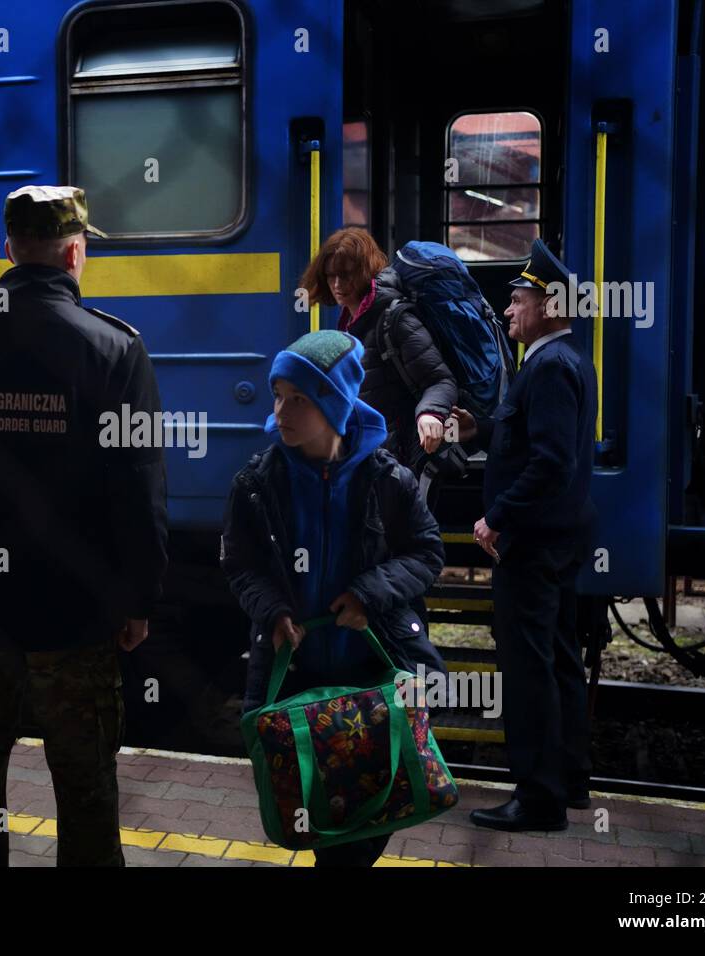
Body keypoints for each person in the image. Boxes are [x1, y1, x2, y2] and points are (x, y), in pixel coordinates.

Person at [0, 185, 169, 865]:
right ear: (76, 253)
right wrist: (138, 598)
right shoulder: (112, 349)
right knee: (85, 794)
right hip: (73, 615)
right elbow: (136, 487)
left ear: (7, 250)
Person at [221, 330, 446, 866]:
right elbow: (239, 563)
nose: (282, 410)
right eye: (278, 395)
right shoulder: (258, 482)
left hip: (372, 680)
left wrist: (369, 595)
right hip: (299, 684)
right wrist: (272, 610)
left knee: (361, 831)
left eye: (299, 398)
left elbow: (426, 554)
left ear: (335, 403)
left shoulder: (389, 480)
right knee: (323, 827)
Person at [448, 238, 597, 831]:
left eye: (517, 299)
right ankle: (571, 782)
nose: (508, 310)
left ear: (549, 306)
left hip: (533, 542)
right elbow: (526, 442)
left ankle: (538, 800)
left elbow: (551, 462)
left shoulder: (551, 366)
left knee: (528, 668)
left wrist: (497, 516)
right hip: (556, 538)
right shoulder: (558, 361)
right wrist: (478, 429)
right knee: (560, 657)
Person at [300, 228, 458, 477]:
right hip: (374, 455)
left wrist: (430, 413)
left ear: (364, 272)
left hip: (402, 460)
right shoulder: (350, 322)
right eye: (331, 276)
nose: (337, 285)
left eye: (346, 276)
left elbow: (441, 380)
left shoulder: (395, 319)